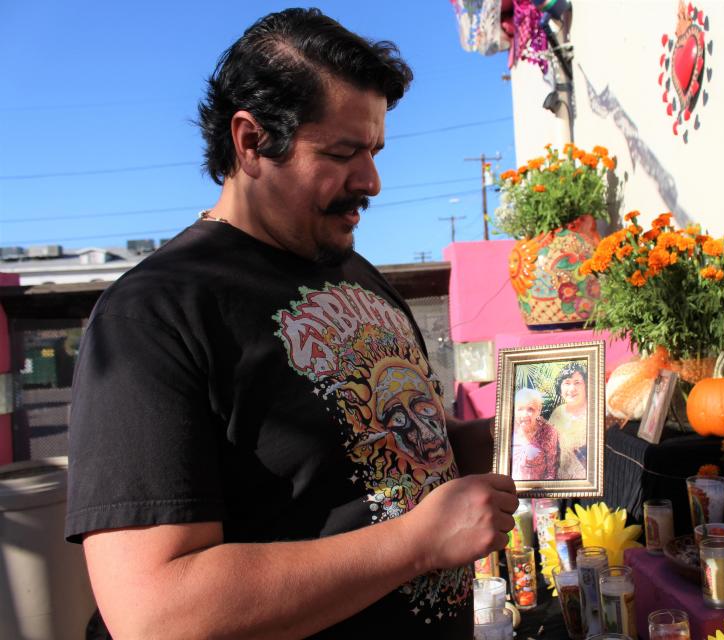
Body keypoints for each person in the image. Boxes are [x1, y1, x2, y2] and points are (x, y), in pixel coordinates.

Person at [64, 9, 518, 639]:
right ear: (250, 142)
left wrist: (539, 430)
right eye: (342, 152)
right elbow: (155, 612)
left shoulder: (355, 271)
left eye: (375, 150)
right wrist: (415, 543)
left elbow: (408, 449)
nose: (372, 181)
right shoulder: (154, 314)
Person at [547, 362, 588, 479]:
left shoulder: (594, 411)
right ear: (560, 388)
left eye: (577, 383)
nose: (572, 388)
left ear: (586, 386)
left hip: (589, 481)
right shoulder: (558, 413)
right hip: (561, 481)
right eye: (567, 383)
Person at [511, 388, 560, 480]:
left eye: (530, 409)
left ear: (539, 410)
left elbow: (551, 472)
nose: (524, 414)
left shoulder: (548, 432)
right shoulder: (508, 429)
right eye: (520, 409)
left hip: (536, 491)